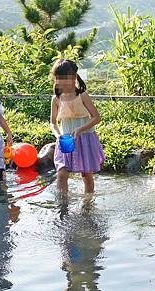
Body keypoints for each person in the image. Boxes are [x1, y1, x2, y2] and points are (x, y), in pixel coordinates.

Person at [50, 59, 105, 194]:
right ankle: (63, 205)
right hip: (65, 140)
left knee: (86, 174)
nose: (61, 82)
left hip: (85, 139)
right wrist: (58, 135)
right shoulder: (56, 99)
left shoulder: (82, 96)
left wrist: (80, 130)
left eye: (65, 78)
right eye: (59, 78)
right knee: (62, 173)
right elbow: (53, 122)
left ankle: (88, 204)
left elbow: (97, 117)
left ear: (74, 77)